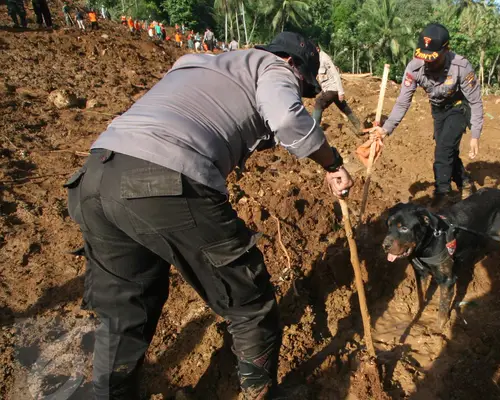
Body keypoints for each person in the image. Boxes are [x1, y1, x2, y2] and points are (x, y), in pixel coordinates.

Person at [64, 31, 352, 399]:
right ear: (293, 63)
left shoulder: (195, 62)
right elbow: (285, 119)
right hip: (165, 180)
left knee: (126, 304)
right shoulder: (274, 67)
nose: (299, 90)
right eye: (302, 86)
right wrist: (332, 163)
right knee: (249, 300)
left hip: (97, 175)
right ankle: (261, 394)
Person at [366, 23, 484, 209]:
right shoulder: (414, 68)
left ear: (446, 49)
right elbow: (403, 101)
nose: (428, 62)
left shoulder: (460, 66)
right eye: (424, 57)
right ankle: (465, 182)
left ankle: (442, 194)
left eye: (433, 58)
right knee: (445, 147)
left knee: (443, 149)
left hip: (459, 107)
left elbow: (476, 101)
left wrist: (475, 135)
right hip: (438, 109)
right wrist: (385, 129)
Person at [312, 46, 362, 135]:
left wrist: (341, 91)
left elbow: (335, 74)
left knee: (319, 102)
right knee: (344, 107)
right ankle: (359, 127)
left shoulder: (325, 58)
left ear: (317, 49)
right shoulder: (317, 59)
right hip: (328, 89)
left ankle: (313, 131)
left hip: (333, 89)